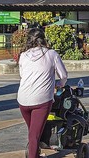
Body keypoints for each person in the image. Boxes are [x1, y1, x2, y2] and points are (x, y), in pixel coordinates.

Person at [17, 28, 68, 158]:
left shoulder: (23, 55)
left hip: (23, 100)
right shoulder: (51, 54)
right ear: (43, 39)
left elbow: (22, 75)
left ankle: (36, 152)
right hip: (42, 100)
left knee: (33, 132)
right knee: (34, 135)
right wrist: (59, 85)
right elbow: (63, 75)